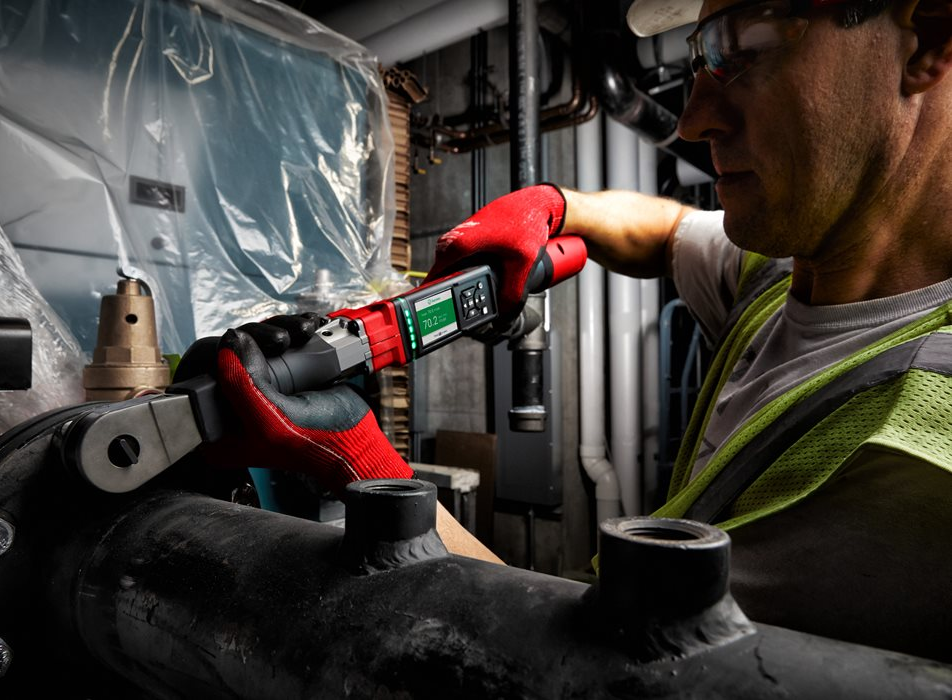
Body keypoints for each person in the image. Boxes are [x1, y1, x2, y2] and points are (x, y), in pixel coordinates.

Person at [190, 0, 952, 661]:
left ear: (928, 40)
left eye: (742, 47)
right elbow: (666, 230)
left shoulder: (916, 451)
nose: (693, 119)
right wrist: (555, 207)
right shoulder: (795, 269)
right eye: (700, 57)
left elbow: (571, 665)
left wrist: (359, 461)